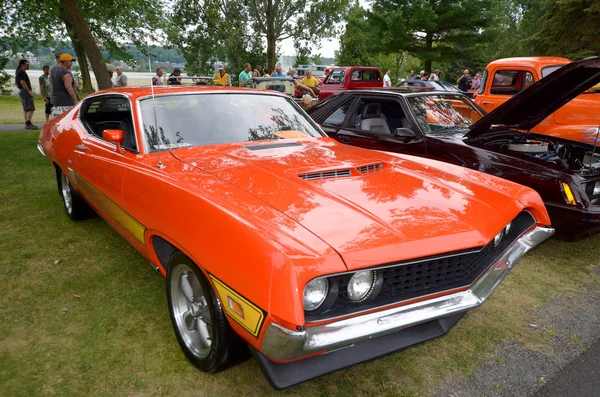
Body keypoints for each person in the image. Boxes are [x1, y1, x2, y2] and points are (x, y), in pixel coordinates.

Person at [15, 59, 38, 129]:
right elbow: (22, 82)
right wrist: (29, 91)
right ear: (22, 65)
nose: (28, 65)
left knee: (26, 108)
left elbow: (17, 83)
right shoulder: (22, 72)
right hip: (24, 91)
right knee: (31, 108)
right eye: (27, 64)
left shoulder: (18, 72)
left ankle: (27, 123)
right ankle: (28, 123)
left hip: (21, 91)